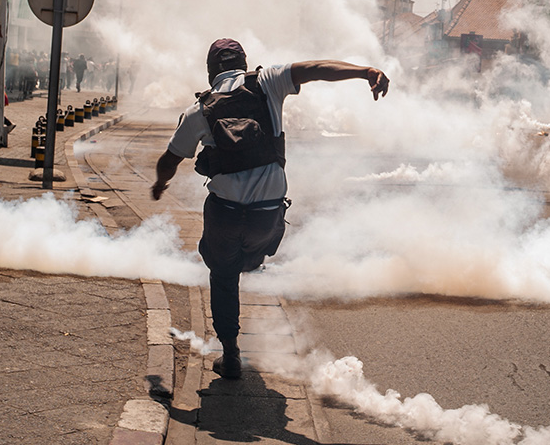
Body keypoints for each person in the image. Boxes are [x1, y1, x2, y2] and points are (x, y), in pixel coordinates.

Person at [150, 38, 389, 379]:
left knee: (223, 275)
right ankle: (251, 258)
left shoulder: (197, 112)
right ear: (245, 63)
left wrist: (160, 185)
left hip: (226, 215)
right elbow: (316, 68)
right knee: (247, 257)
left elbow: (169, 159)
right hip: (268, 218)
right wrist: (366, 71)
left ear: (209, 73)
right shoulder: (268, 82)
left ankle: (230, 353)